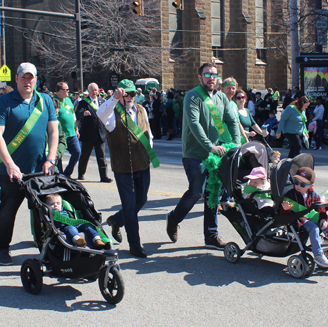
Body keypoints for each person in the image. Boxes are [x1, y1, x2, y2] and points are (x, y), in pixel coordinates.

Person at [0, 62, 58, 265]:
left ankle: (43, 247)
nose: (27, 81)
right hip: (12, 172)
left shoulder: (45, 100)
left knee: (42, 213)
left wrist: (50, 159)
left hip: (39, 170)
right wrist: (9, 164)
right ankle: (2, 248)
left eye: (31, 78)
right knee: (7, 212)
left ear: (36, 80)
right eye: (23, 77)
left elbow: (54, 131)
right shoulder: (4, 102)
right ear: (17, 79)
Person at [166, 63, 241, 249]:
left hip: (216, 155)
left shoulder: (222, 97)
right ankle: (173, 218)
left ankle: (211, 235)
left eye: (214, 75)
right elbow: (194, 124)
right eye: (207, 74)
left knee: (213, 192)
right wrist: (210, 147)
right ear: (200, 77)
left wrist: (236, 143)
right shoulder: (193, 96)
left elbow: (232, 121)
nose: (211, 77)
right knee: (196, 191)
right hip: (195, 153)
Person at [97, 79, 157, 258]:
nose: (130, 97)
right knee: (130, 206)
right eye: (126, 95)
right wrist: (114, 98)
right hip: (123, 168)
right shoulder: (112, 113)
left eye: (132, 94)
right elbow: (101, 113)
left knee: (142, 200)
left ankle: (116, 220)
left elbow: (148, 132)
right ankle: (135, 244)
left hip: (142, 165)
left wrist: (150, 153)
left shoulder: (141, 109)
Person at [280, 167, 328, 267]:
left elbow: (321, 209)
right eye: (296, 182)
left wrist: (323, 219)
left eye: (302, 184)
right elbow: (283, 214)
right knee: (314, 228)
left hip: (312, 218)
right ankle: (318, 255)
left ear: (311, 186)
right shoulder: (290, 195)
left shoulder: (313, 194)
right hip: (298, 220)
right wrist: (285, 209)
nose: (298, 186)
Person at [75, 83, 112, 183]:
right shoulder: (83, 102)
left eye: (96, 90)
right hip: (88, 133)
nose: (95, 92)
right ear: (89, 91)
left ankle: (104, 176)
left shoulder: (102, 101)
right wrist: (83, 113)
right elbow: (78, 113)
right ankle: (81, 173)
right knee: (85, 156)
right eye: (92, 90)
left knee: (102, 157)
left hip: (100, 133)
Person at [53, 82, 81, 178]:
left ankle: (67, 173)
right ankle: (59, 175)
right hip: (60, 135)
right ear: (60, 91)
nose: (69, 91)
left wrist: (76, 129)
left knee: (77, 152)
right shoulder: (53, 100)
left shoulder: (68, 100)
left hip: (71, 133)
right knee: (58, 156)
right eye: (67, 89)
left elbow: (73, 115)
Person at [222, 79, 249, 144]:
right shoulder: (218, 103)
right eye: (228, 88)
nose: (231, 90)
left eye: (233, 88)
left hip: (234, 141)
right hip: (221, 141)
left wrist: (245, 138)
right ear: (222, 89)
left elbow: (237, 123)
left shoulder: (234, 105)